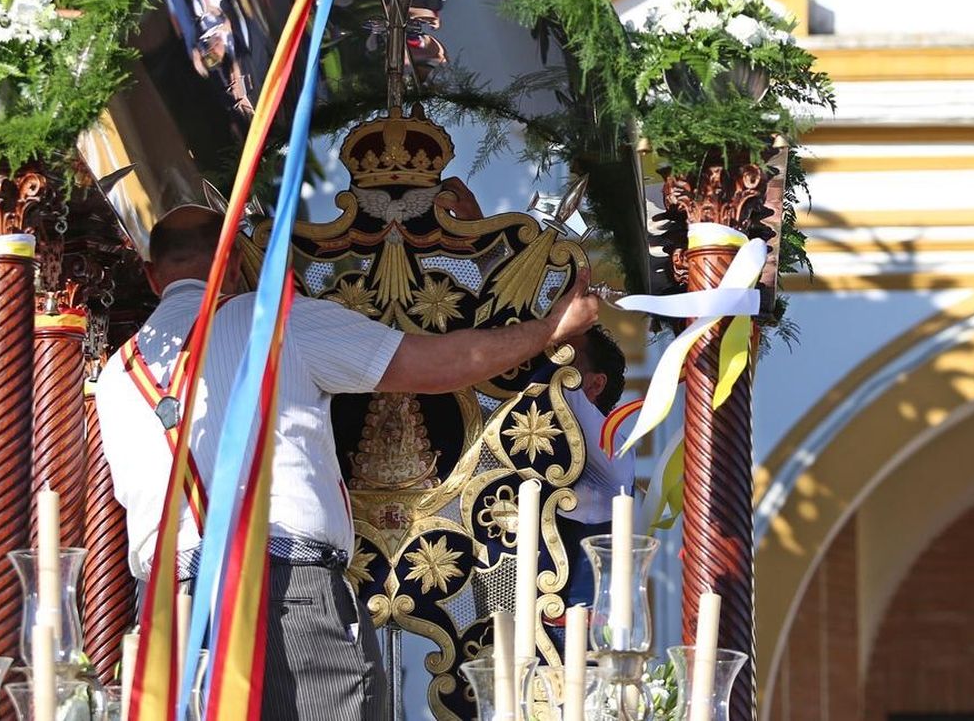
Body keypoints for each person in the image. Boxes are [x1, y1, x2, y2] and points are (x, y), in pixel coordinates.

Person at [93, 204, 600, 721]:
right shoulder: (272, 322)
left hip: (168, 615)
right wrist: (552, 328)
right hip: (284, 597)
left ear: (153, 275)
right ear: (235, 261)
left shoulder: (113, 377)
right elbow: (440, 365)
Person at [556, 325, 636, 610]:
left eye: (564, 355)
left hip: (578, 623)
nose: (550, 358)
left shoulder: (616, 448)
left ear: (595, 384)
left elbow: (556, 386)